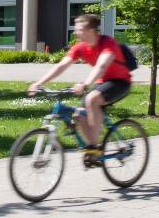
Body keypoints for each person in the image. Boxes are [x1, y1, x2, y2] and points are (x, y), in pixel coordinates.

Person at [28, 13, 132, 167]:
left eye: (79, 29)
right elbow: (62, 65)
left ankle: (94, 148)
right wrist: (39, 82)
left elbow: (101, 66)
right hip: (102, 83)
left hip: (120, 82)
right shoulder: (80, 47)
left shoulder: (107, 43)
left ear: (90, 30)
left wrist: (85, 83)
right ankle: (92, 150)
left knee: (91, 99)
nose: (75, 32)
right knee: (78, 114)